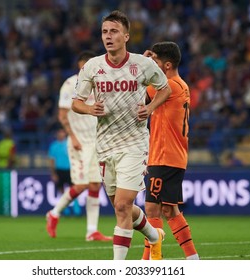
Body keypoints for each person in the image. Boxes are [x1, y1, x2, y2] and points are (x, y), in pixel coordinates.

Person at [72, 10, 172, 260]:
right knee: (124, 207)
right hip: (105, 144)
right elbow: (76, 103)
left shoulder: (143, 64)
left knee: (122, 206)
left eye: (114, 31)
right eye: (105, 31)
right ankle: (153, 235)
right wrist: (89, 108)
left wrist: (149, 108)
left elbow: (165, 89)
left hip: (134, 143)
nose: (108, 36)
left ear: (126, 36)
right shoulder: (93, 67)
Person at [141, 41, 199, 260]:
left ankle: (150, 260)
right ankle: (193, 258)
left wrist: (138, 64)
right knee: (170, 210)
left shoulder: (168, 86)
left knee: (152, 209)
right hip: (175, 156)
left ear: (165, 65)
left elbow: (138, 92)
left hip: (163, 156)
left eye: (155, 61)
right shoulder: (181, 84)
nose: (152, 64)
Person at [46, 52, 112, 241]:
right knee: (82, 184)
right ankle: (54, 213)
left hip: (96, 141)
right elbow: (62, 114)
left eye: (89, 65)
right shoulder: (70, 84)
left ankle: (92, 231)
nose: (86, 69)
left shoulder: (100, 84)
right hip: (79, 142)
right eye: (83, 65)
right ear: (79, 66)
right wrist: (72, 136)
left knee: (94, 184)